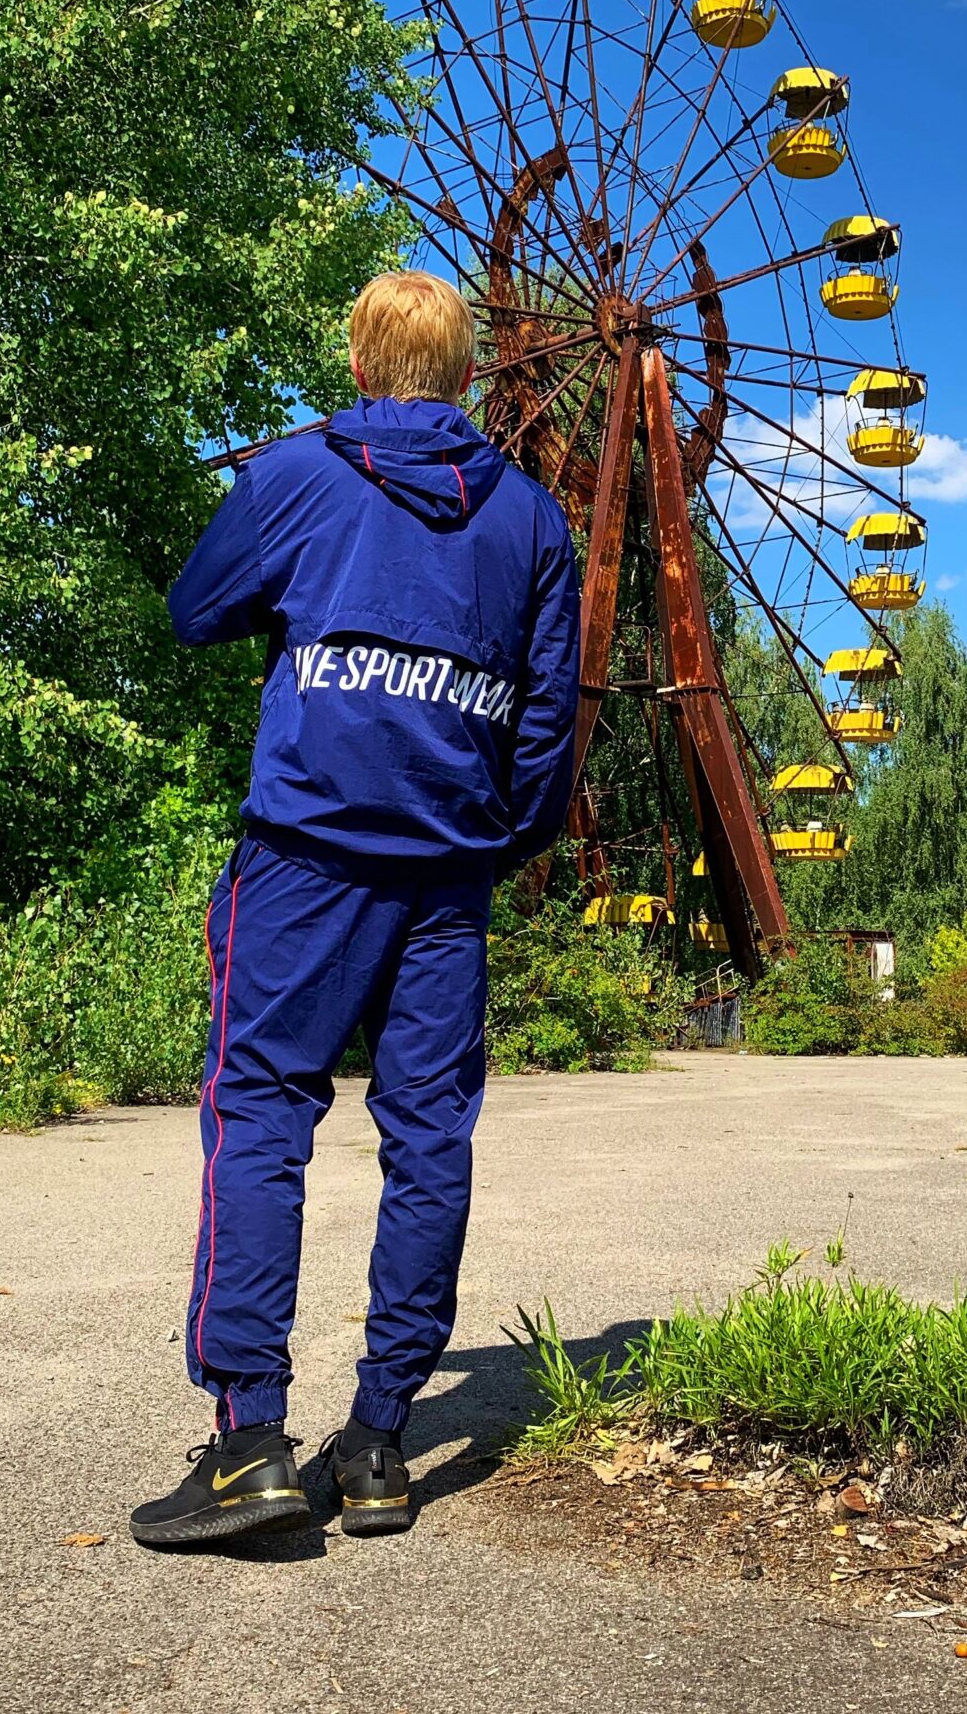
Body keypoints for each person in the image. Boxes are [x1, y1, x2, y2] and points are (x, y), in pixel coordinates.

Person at [130, 270, 579, 1547]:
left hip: (306, 861)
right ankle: (380, 1440)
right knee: (428, 1135)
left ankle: (249, 1442)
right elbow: (550, 721)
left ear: (359, 357)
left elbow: (194, 607)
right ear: (463, 371)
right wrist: (497, 841)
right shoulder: (533, 522)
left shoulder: (296, 475)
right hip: (445, 876)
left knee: (262, 1116)